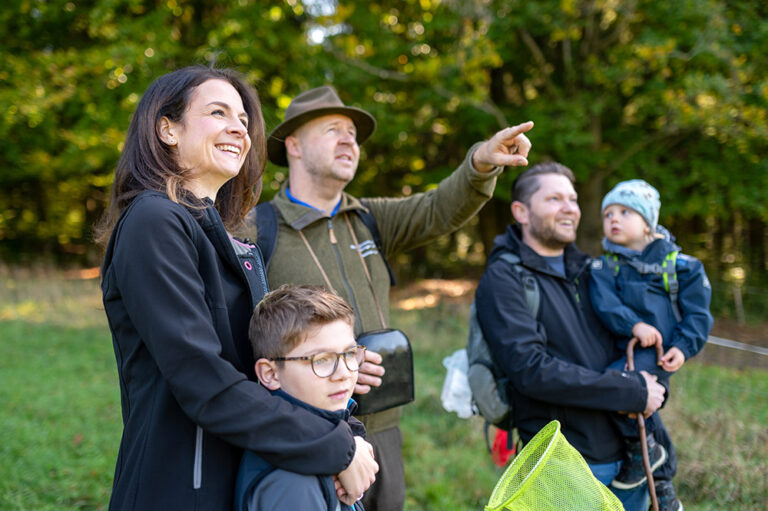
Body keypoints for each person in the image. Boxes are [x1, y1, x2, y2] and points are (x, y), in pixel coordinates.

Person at [95, 66, 377, 510]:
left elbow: (266, 368)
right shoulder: (154, 222)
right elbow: (202, 378)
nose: (238, 129)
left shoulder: (225, 236)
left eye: (243, 120)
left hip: (241, 472)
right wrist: (332, 447)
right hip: (179, 487)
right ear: (167, 128)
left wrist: (343, 426)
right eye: (217, 112)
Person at [249, 85, 533, 511]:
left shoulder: (368, 218)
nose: (349, 140)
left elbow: (439, 209)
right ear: (293, 145)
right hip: (310, 435)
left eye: (353, 133)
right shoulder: (257, 230)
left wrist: (480, 163)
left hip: (385, 431)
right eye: (333, 130)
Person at [474, 162, 672, 511]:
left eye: (573, 199)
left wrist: (657, 374)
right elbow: (530, 371)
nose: (569, 208)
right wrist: (630, 390)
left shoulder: (593, 270)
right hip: (563, 463)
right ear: (521, 211)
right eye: (554, 199)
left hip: (630, 459)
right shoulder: (503, 279)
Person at [590, 179, 713, 509]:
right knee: (627, 398)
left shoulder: (681, 266)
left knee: (619, 390)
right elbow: (604, 304)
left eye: (625, 212)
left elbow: (698, 316)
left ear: (648, 222)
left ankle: (647, 455)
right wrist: (633, 325)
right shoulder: (606, 265)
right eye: (608, 213)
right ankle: (662, 488)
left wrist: (684, 347)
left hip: (657, 355)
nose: (613, 219)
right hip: (621, 352)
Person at [235, 284, 368, 510]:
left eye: (348, 354)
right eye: (321, 359)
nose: (344, 373)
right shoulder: (294, 480)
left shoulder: (332, 434)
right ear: (270, 374)